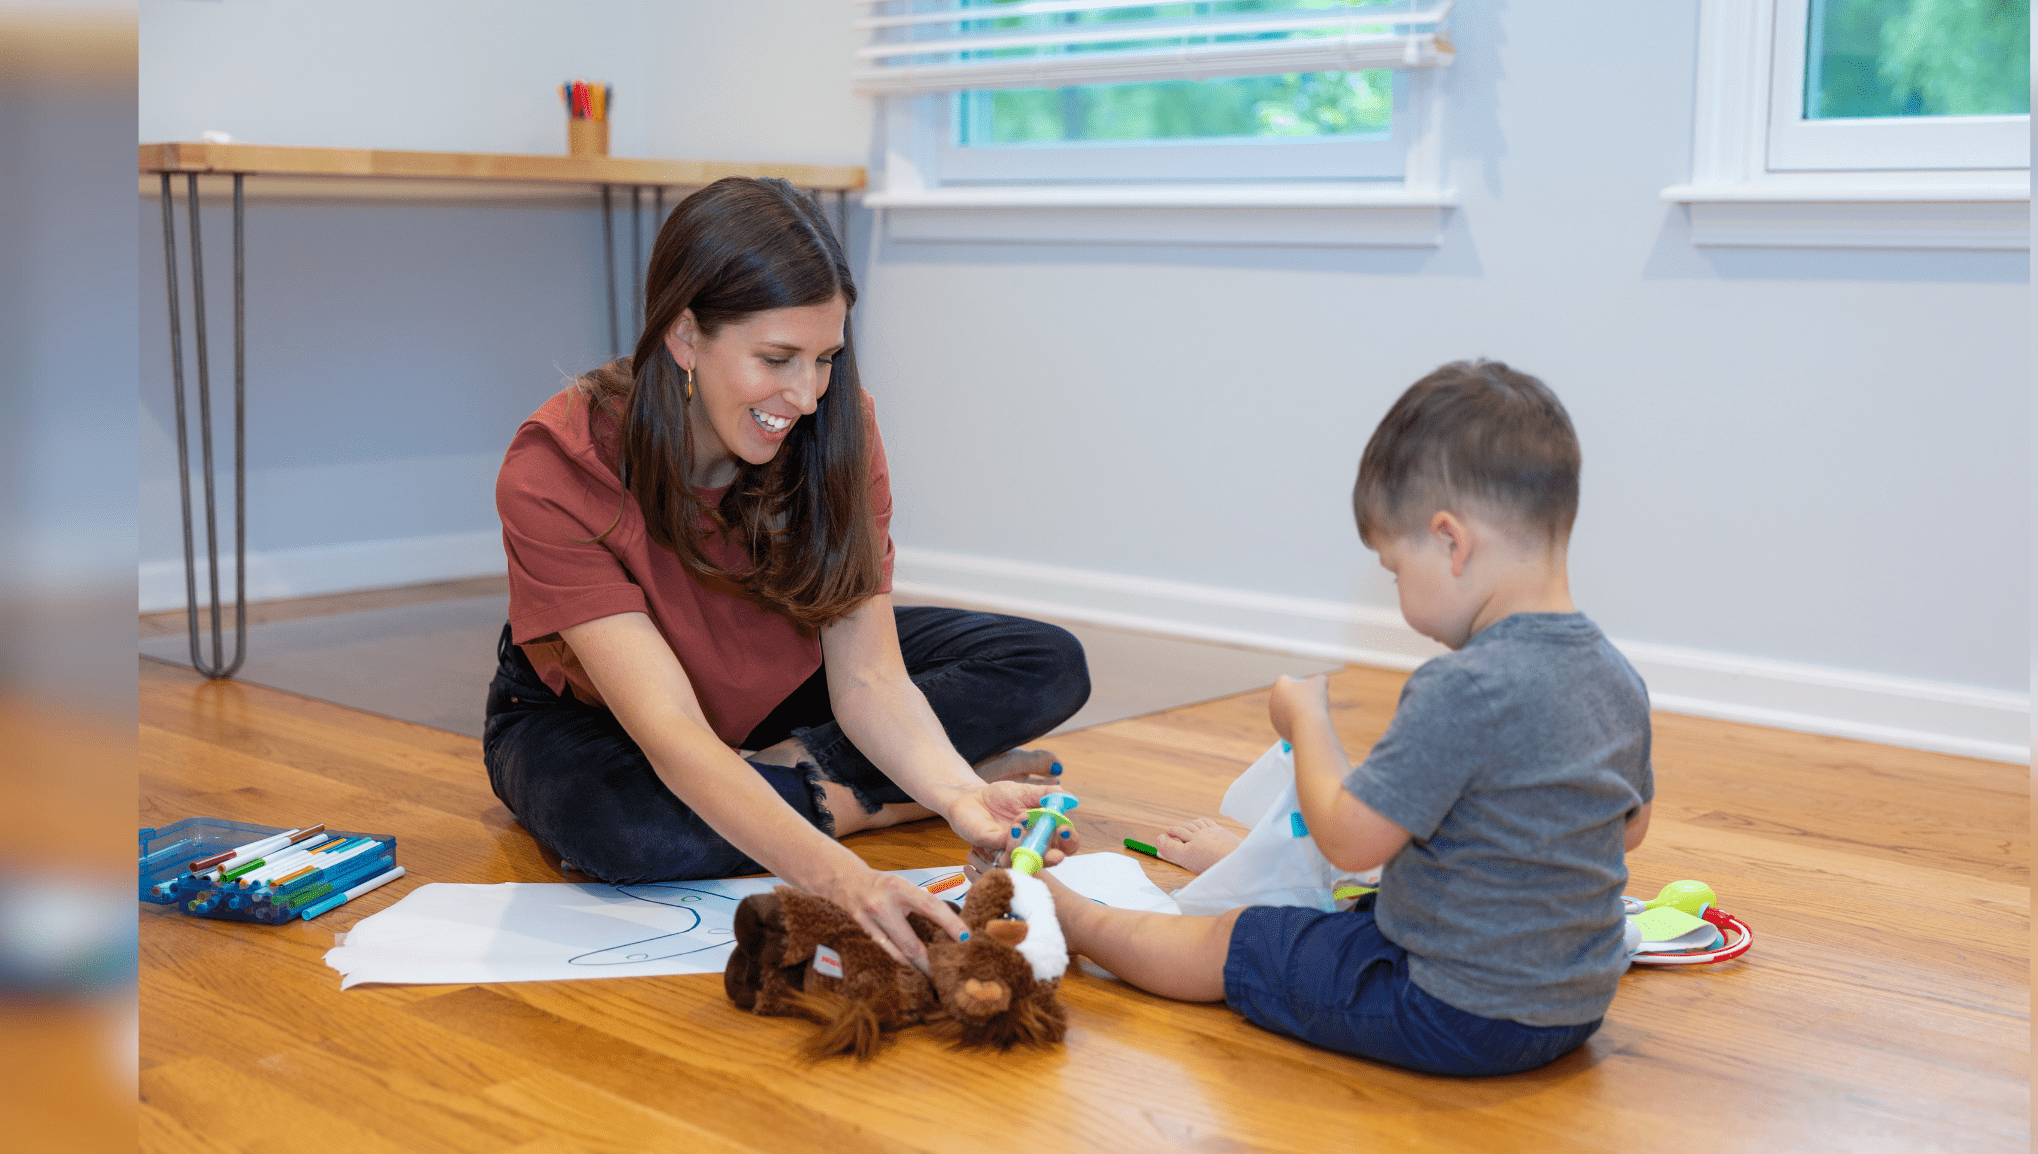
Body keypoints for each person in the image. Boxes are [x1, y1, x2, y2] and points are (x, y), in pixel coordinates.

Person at [485, 177, 1090, 967]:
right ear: (685, 336)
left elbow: (869, 678)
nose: (805, 396)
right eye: (776, 358)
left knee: (1044, 662)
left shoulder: (839, 426)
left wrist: (957, 797)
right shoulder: (556, 465)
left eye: (826, 358)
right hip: (601, 716)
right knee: (627, 830)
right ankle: (857, 801)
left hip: (774, 673)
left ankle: (793, 784)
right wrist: (848, 879)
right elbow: (669, 731)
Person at [1046, 358, 1652, 1077]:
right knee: (1356, 907)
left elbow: (1348, 839)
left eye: (1395, 570)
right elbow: (1630, 826)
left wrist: (1306, 719)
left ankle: (1077, 921)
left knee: (1240, 940)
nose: (1397, 593)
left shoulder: (1462, 686)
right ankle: (1242, 867)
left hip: (1454, 1011)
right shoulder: (1617, 675)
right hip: (1575, 1006)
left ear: (1452, 543)